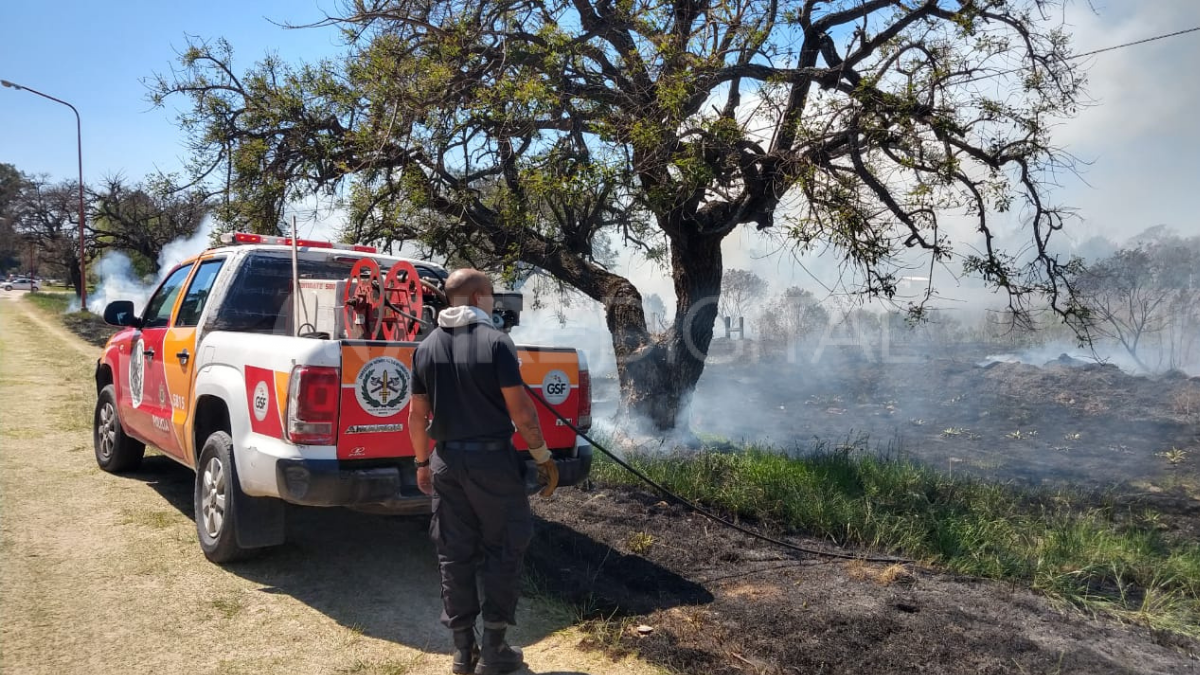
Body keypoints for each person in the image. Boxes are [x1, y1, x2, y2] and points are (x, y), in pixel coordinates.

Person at [408, 268, 559, 675]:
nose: (493, 302)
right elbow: (522, 412)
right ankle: (494, 650)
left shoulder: (425, 347)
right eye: (491, 294)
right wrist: (543, 457)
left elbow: (417, 416)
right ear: (478, 298)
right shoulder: (497, 342)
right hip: (492, 464)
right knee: (504, 547)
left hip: (445, 463)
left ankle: (463, 652)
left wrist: (421, 463)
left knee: (453, 554)